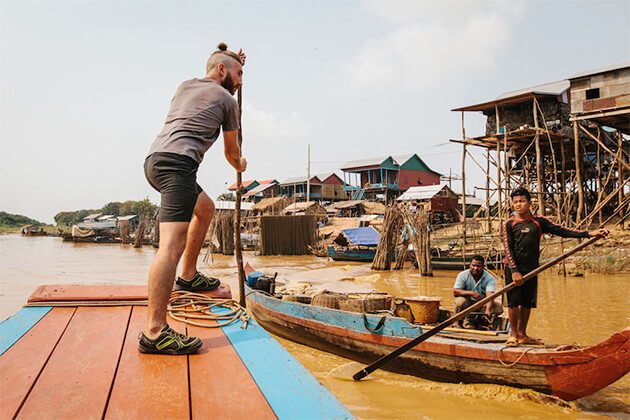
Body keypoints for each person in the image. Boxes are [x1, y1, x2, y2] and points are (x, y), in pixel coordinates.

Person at [138, 43, 247, 354]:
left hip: (156, 160)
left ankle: (187, 276)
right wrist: (242, 164)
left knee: (206, 209)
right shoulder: (228, 100)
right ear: (222, 71)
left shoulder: (185, 85)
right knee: (170, 246)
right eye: (237, 75)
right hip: (178, 166)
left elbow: (213, 88)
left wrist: (232, 63)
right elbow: (231, 153)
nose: (239, 82)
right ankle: (155, 332)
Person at [502, 187, 608, 347]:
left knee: (527, 302)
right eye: (515, 202)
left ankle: (523, 334)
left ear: (530, 203)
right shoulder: (509, 224)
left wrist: (588, 233)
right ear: (512, 204)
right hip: (513, 268)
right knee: (513, 302)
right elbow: (508, 248)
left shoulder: (539, 222)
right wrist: (515, 271)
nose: (519, 205)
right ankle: (513, 334)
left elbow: (563, 231)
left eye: (522, 201)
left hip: (532, 268)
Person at [453, 255, 503, 329]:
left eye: (478, 266)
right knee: (460, 302)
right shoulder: (462, 275)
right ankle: (458, 321)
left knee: (498, 307)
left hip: (481, 302)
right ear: (470, 265)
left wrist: (488, 310)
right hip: (467, 303)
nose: (475, 268)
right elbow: (456, 292)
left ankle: (481, 321)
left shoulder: (489, 278)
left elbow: (490, 296)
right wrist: (471, 293)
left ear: (483, 266)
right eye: (473, 265)